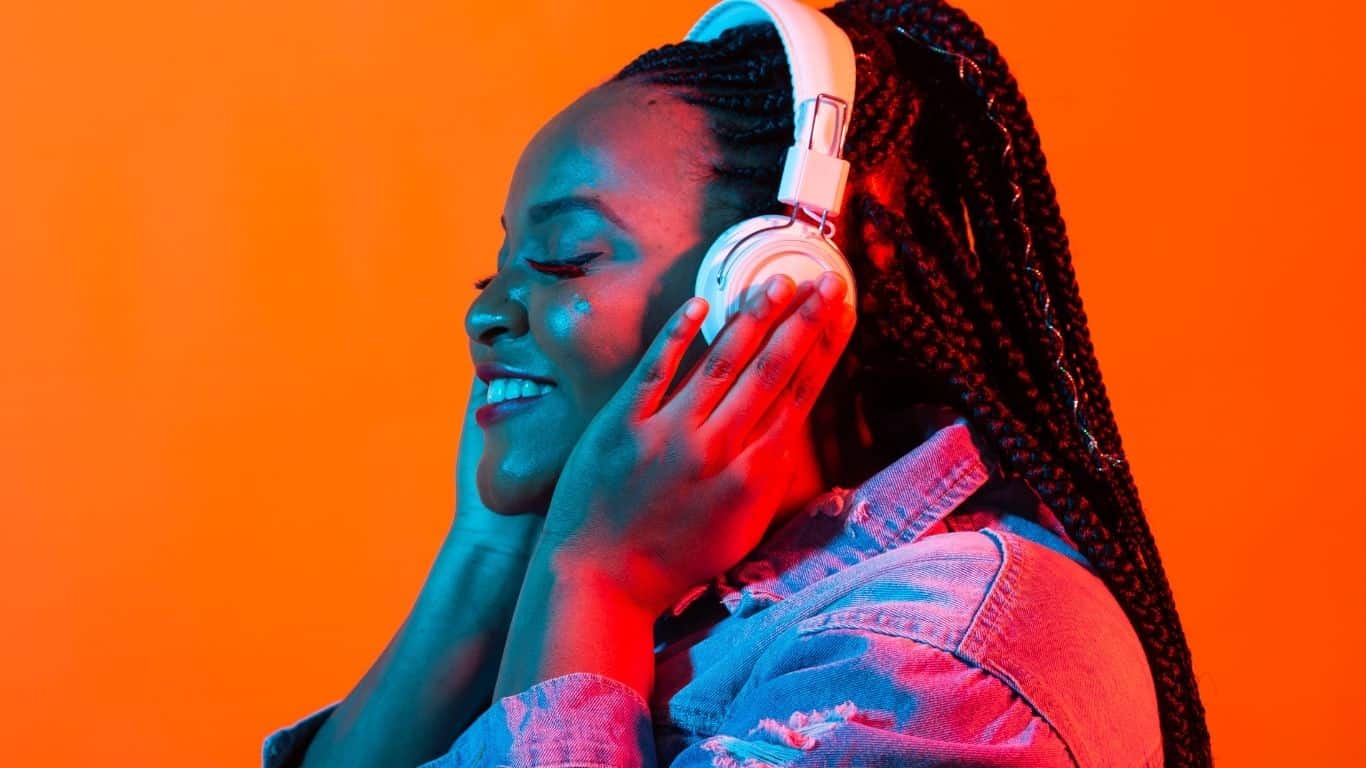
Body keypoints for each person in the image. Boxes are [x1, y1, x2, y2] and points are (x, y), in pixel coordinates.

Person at [263, 0, 1212, 765]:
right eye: (494, 272)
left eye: (560, 260)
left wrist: (593, 583)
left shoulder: (943, 661)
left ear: (775, 283)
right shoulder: (696, 583)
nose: (485, 316)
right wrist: (493, 546)